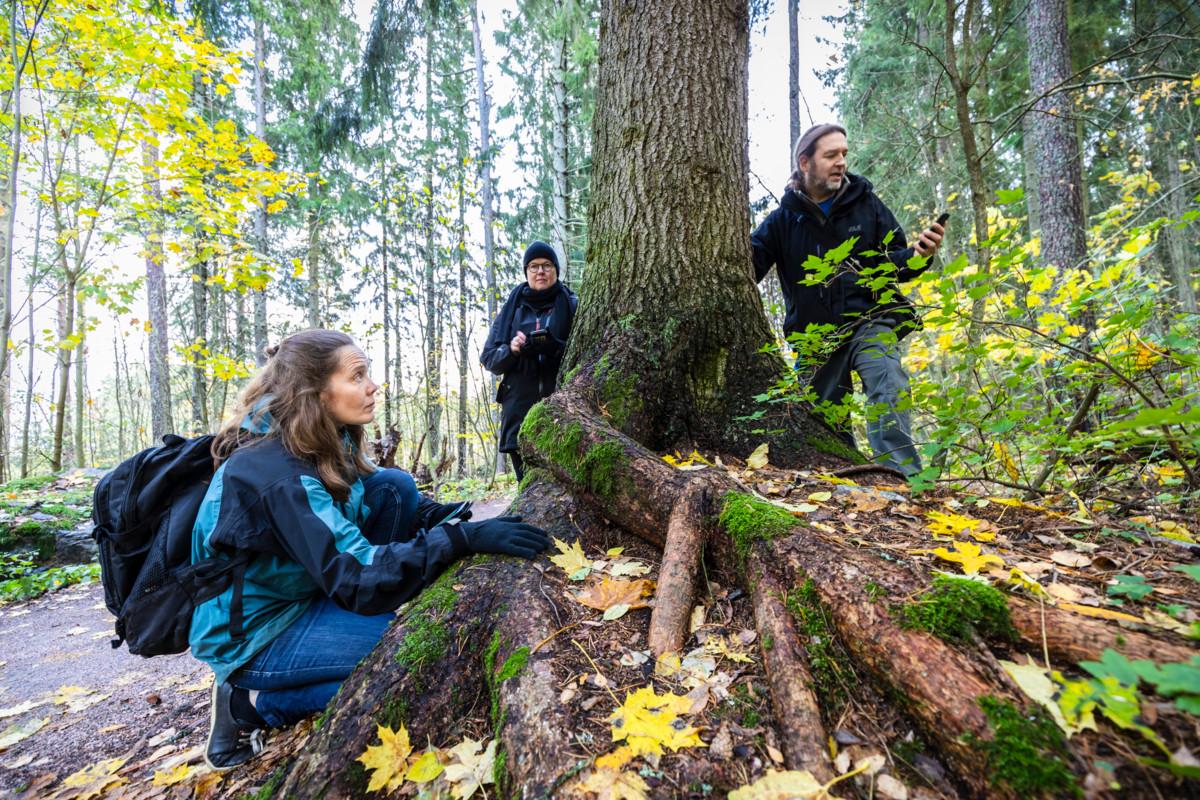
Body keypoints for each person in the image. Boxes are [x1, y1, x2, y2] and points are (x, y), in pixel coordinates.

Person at [192, 329, 550, 770]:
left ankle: (357, 618)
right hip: (256, 632)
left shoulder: (322, 435)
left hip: (302, 586)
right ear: (317, 393)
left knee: (395, 488)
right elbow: (356, 574)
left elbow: (375, 497)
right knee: (405, 655)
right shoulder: (275, 473)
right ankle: (247, 703)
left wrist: (450, 519)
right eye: (357, 376)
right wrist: (459, 542)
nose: (372, 386)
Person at [751, 123, 945, 476]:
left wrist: (919, 253)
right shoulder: (782, 221)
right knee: (823, 419)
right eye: (831, 155)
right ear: (805, 162)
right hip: (816, 338)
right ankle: (845, 477)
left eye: (844, 154)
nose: (841, 162)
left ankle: (901, 477)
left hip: (871, 320)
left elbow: (898, 263)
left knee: (889, 384)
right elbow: (746, 268)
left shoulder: (866, 204)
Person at [481, 241, 578, 481]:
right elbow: (489, 358)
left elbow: (585, 354)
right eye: (534, 266)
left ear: (556, 270)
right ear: (526, 272)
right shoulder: (512, 309)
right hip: (518, 409)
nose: (540, 271)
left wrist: (555, 346)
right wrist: (512, 349)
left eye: (546, 265)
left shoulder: (572, 304)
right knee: (527, 486)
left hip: (563, 410)